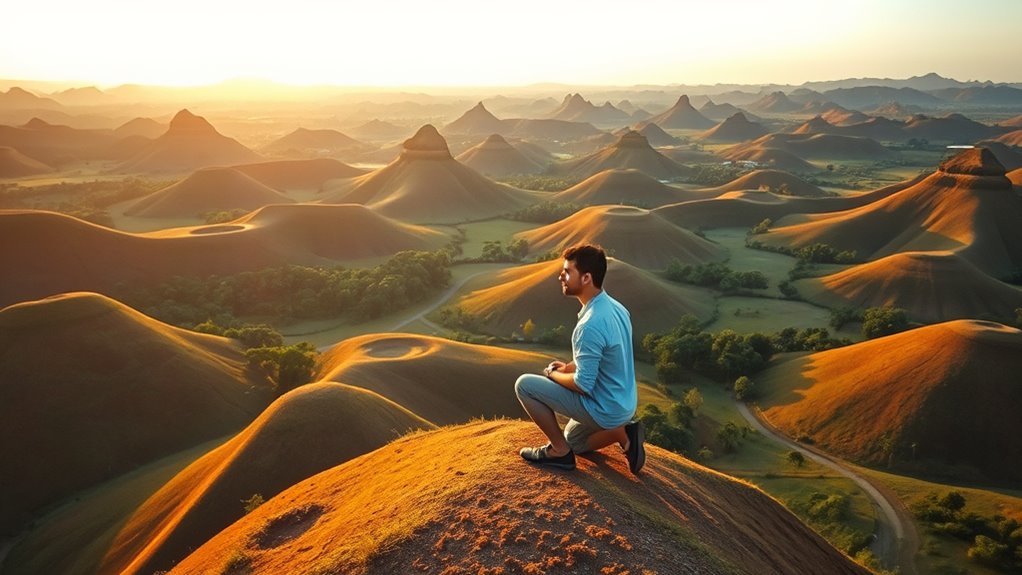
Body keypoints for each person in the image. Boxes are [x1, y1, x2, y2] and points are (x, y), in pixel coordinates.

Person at [514, 244, 644, 474]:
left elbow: (583, 385)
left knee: (524, 385)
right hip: (624, 405)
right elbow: (605, 358)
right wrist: (567, 367)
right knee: (574, 439)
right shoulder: (617, 309)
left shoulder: (590, 324)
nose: (560, 276)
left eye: (567, 272)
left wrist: (553, 374)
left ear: (586, 278)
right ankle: (622, 433)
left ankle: (559, 452)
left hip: (605, 408)